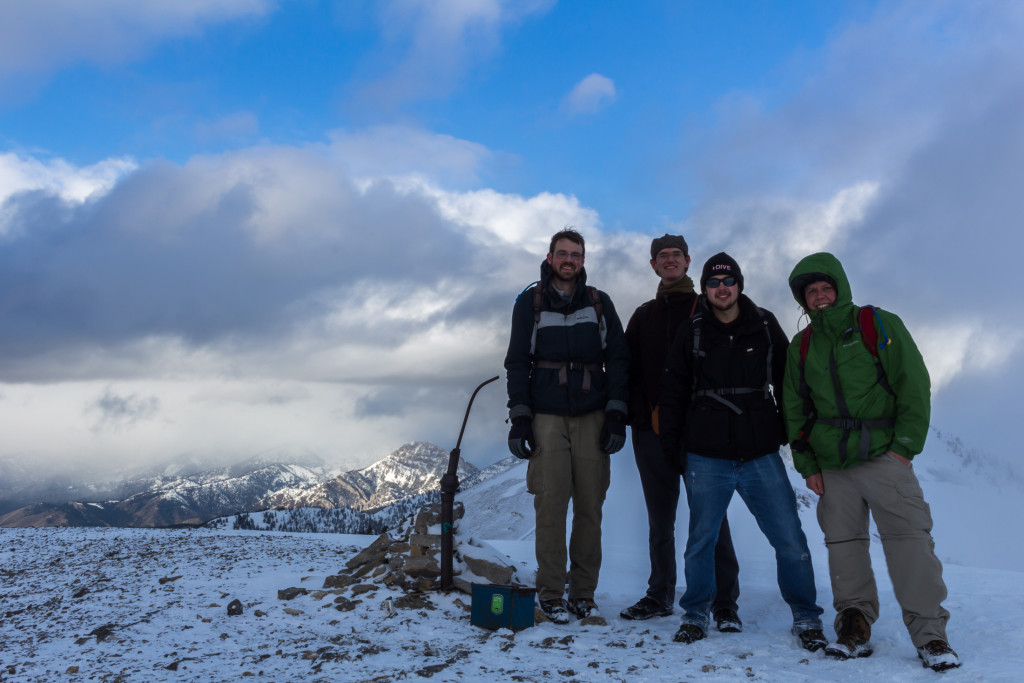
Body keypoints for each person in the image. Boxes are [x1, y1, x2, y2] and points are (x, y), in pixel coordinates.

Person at [783, 252, 960, 672]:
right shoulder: (803, 344)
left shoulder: (876, 323)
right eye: (812, 292)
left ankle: (931, 636)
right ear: (803, 300)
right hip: (832, 464)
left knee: (910, 544)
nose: (821, 297)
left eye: (826, 288)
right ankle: (854, 627)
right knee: (844, 549)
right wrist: (807, 464)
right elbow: (794, 405)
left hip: (883, 454)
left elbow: (913, 383)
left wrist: (904, 447)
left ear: (840, 287)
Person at [660, 252, 826, 649]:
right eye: (713, 283)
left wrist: (793, 435)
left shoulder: (765, 325)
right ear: (705, 290)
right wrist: (673, 449)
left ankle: (806, 615)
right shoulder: (693, 331)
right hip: (706, 453)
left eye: (728, 281)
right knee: (701, 540)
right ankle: (696, 614)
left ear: (739, 284)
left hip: (759, 453)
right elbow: (673, 393)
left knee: (789, 538)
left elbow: (790, 384)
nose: (722, 288)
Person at [504, 228, 630, 624]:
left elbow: (620, 360)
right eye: (562, 253)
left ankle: (583, 595)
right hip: (546, 416)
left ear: (583, 260)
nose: (569, 260)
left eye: (576, 254)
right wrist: (520, 418)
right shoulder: (531, 303)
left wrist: (615, 413)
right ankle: (552, 593)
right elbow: (517, 362)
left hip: (593, 416)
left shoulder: (598, 302)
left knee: (591, 508)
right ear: (550, 257)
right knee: (551, 507)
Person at [619, 235, 742, 631]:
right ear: (653, 265)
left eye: (676, 255)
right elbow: (627, 370)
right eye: (662, 256)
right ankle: (660, 595)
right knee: (660, 520)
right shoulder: (643, 315)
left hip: (700, 433)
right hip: (652, 431)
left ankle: (724, 602)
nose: (669, 261)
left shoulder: (707, 310)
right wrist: (639, 416)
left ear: (688, 261)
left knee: (711, 518)